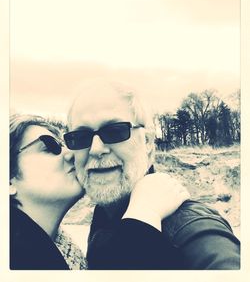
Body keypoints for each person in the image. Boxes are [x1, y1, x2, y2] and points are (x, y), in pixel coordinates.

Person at [65, 78, 241, 270]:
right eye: (81, 137)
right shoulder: (105, 216)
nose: (96, 149)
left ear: (148, 143)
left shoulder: (190, 228)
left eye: (115, 131)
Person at [10, 113, 190, 270]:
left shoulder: (65, 251)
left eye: (65, 144)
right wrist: (142, 219)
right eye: (50, 147)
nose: (71, 154)